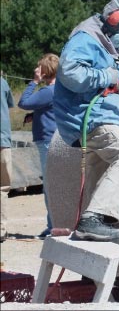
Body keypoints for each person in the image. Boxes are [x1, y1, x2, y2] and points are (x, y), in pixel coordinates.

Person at [53, 0, 119, 241]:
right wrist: (108, 76)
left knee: (98, 171)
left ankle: (88, 239)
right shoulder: (86, 38)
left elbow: (103, 80)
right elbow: (71, 72)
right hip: (90, 119)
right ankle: (93, 219)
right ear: (116, 16)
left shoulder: (99, 41)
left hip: (89, 118)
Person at [18, 53, 59, 238]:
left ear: (45, 72)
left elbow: (24, 102)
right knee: (53, 184)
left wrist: (34, 81)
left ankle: (53, 226)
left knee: (49, 186)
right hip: (55, 139)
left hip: (47, 141)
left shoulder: (47, 91)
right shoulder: (60, 89)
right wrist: (36, 116)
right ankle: (54, 224)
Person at [1, 74, 14, 242]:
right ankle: (1, 229)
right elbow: (10, 104)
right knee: (2, 188)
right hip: (3, 141)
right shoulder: (3, 82)